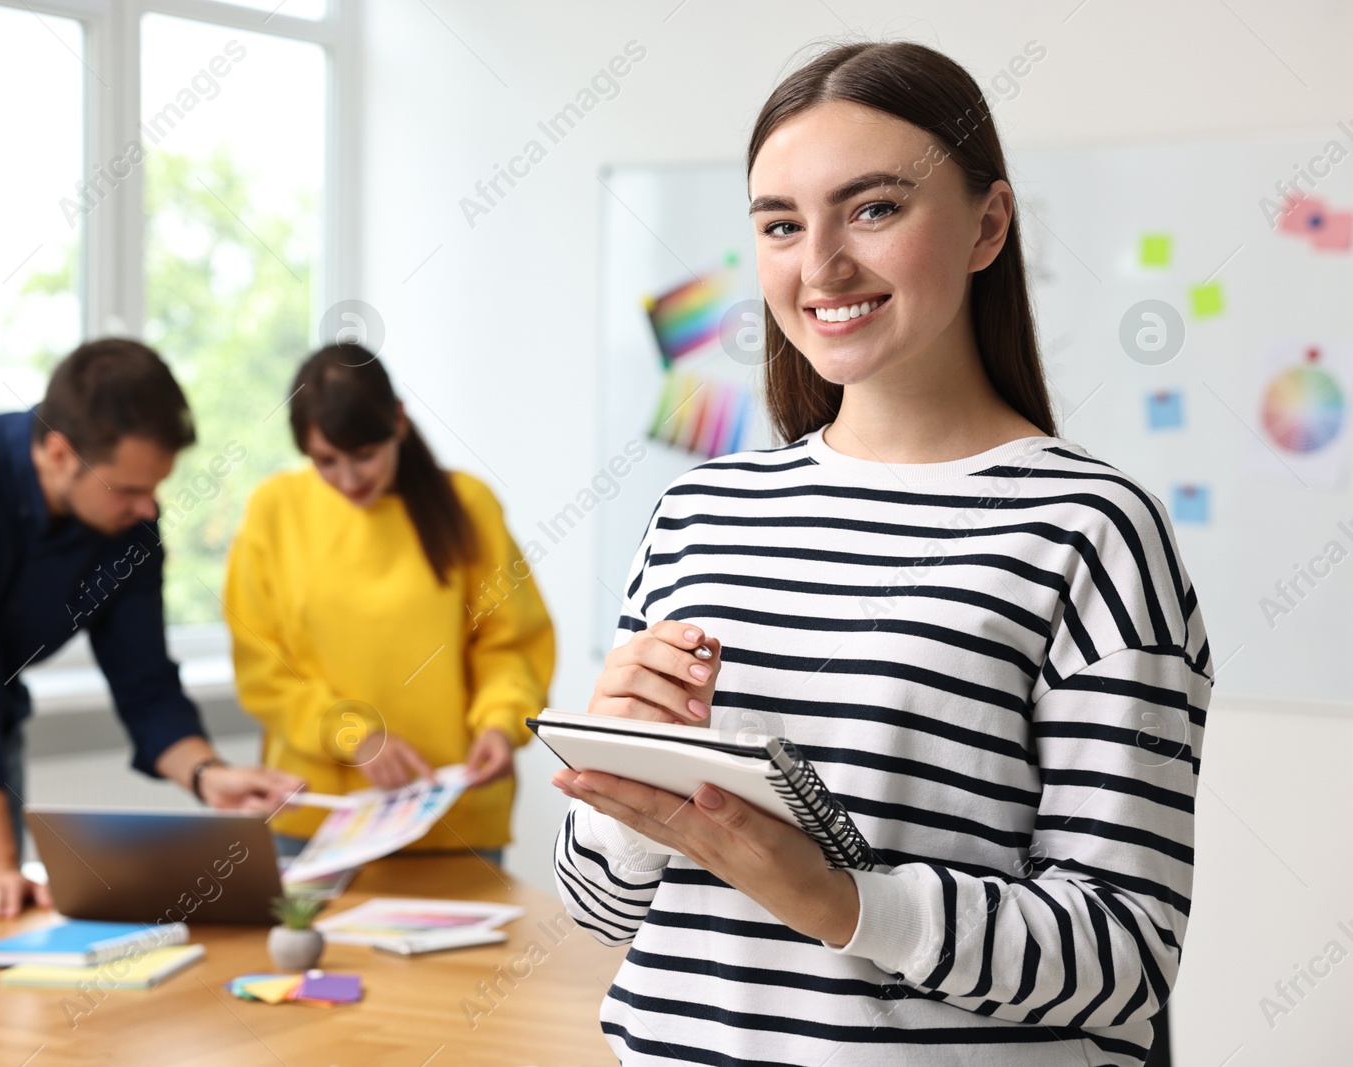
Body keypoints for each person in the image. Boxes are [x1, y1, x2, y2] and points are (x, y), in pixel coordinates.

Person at [552, 41, 1212, 1066]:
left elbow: (1124, 949)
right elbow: (599, 904)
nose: (820, 265)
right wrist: (626, 793)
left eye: (872, 209)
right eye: (780, 224)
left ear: (986, 225)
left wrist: (840, 901)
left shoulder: (1091, 530)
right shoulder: (700, 511)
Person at [0, 338, 303, 920]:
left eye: (157, 486)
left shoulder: (129, 531)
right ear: (60, 452)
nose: (150, 507)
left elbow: (146, 683)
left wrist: (208, 775)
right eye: (130, 488)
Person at [225, 344, 555, 866]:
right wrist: (354, 736)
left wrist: (501, 720)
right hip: (317, 816)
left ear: (398, 422)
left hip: (455, 816)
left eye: (364, 456)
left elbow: (508, 643)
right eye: (326, 461)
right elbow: (264, 670)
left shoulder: (468, 505)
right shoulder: (274, 512)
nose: (349, 480)